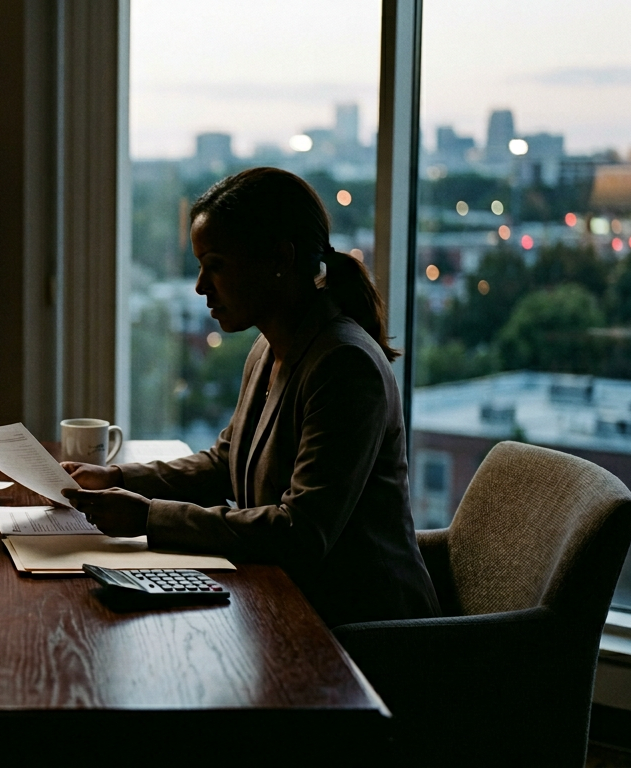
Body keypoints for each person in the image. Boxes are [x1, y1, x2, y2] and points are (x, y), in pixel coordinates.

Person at [61, 167, 439, 628]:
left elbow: (301, 533)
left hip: (365, 633)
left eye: (215, 265)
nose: (201, 285)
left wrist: (149, 517)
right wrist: (117, 477)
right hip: (287, 604)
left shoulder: (344, 366)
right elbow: (227, 462)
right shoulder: (269, 348)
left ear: (280, 258)